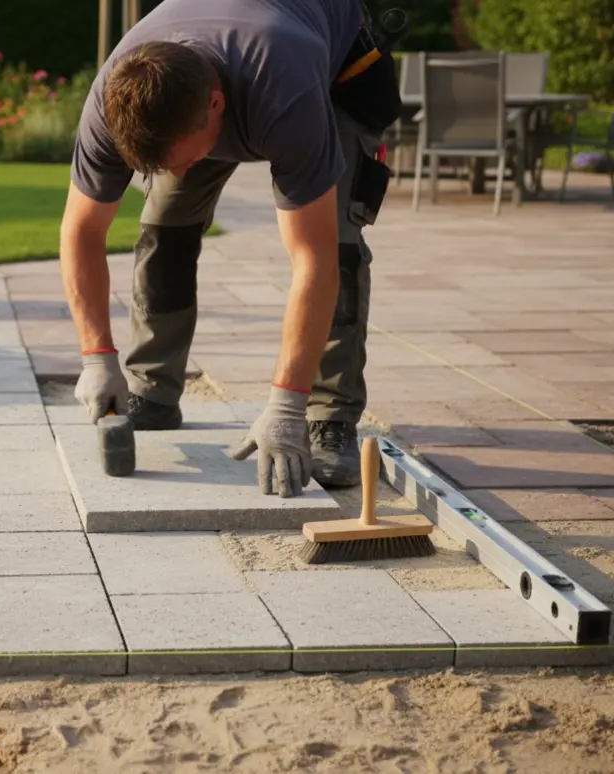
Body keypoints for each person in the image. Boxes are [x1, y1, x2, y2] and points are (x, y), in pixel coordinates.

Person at [60, 0, 402, 498]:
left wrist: (285, 404)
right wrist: (96, 357)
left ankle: (329, 416)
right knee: (164, 225)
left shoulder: (284, 87)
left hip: (330, 73)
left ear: (216, 106)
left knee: (339, 245)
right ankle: (151, 385)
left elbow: (314, 261)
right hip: (222, 70)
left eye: (181, 158)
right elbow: (81, 233)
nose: (177, 172)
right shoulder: (117, 94)